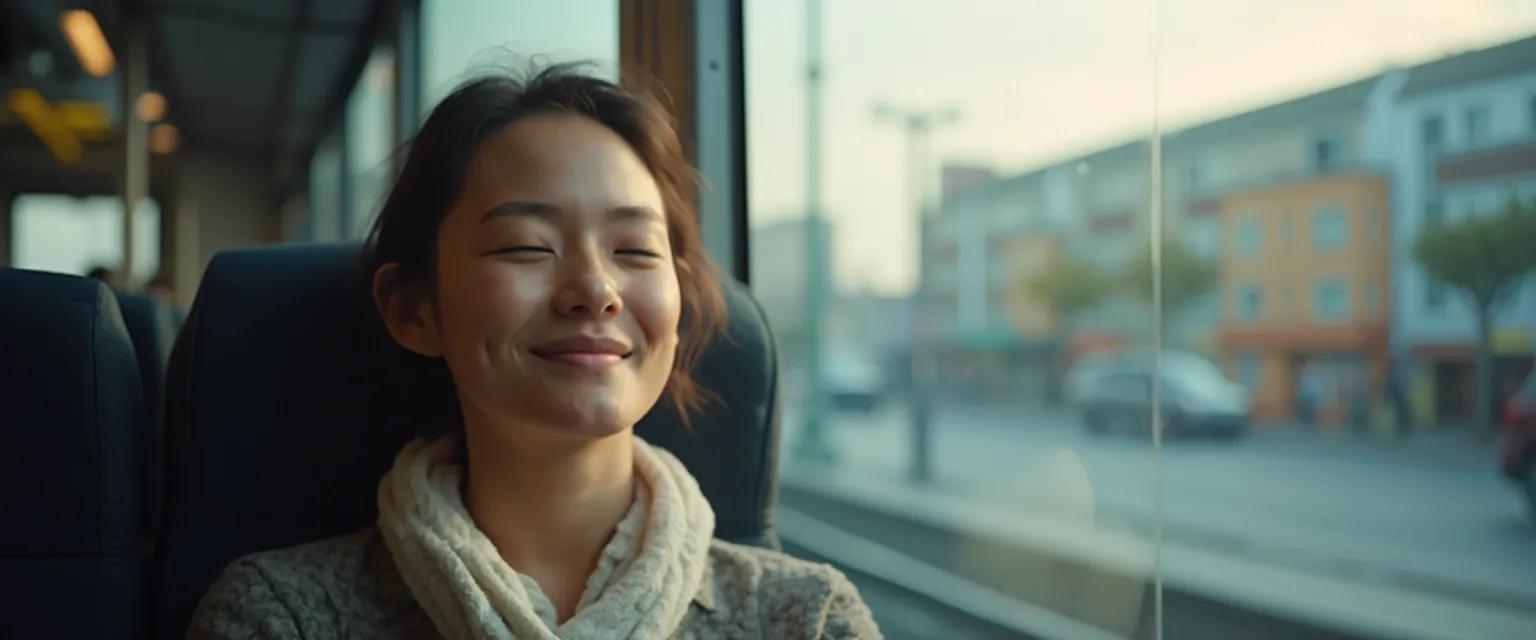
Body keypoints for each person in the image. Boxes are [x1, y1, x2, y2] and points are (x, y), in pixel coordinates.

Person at [186, 64, 880, 639]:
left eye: (635, 250)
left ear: (678, 307)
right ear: (415, 310)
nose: (597, 291)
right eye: (527, 247)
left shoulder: (806, 619)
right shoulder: (283, 617)